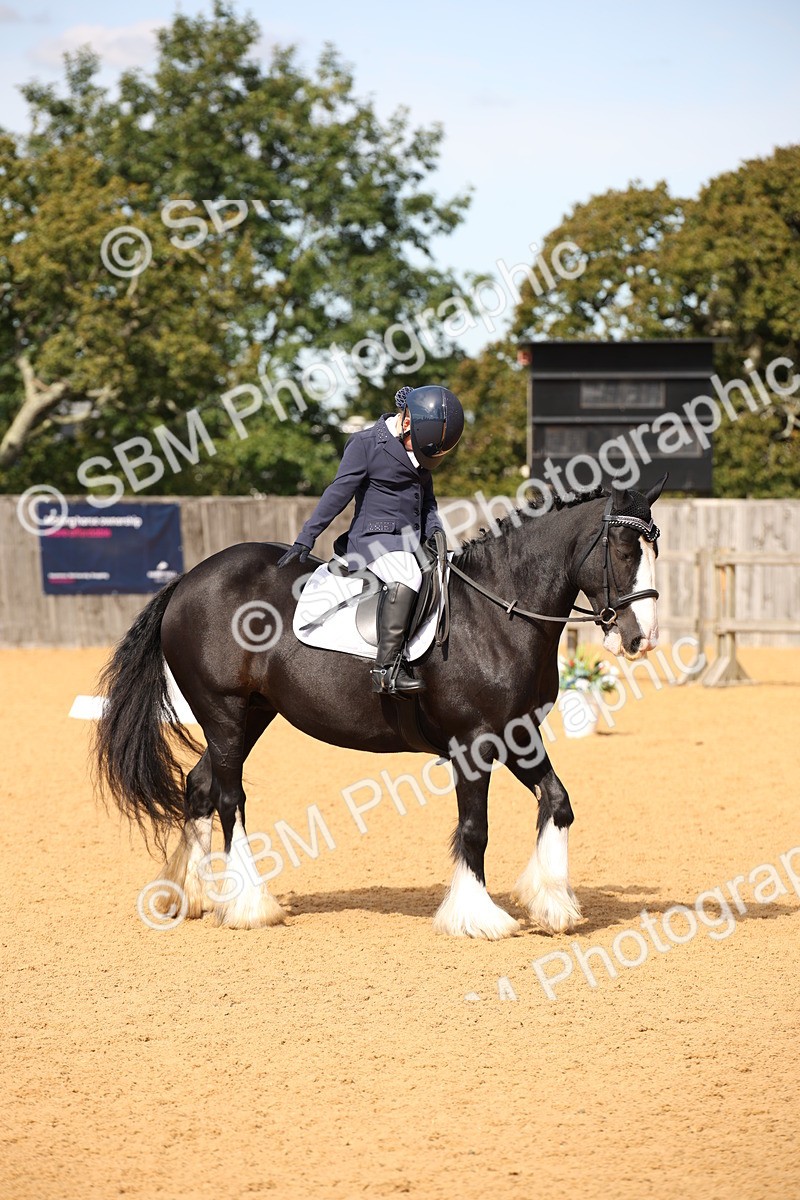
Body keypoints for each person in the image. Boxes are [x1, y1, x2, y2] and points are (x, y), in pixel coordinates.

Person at [278, 384, 464, 696]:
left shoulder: (418, 444)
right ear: (406, 422)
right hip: (374, 539)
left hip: (411, 540)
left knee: (447, 575)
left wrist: (437, 532)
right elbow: (338, 492)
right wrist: (306, 537)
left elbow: (427, 502)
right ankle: (386, 670)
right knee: (408, 575)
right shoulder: (366, 444)